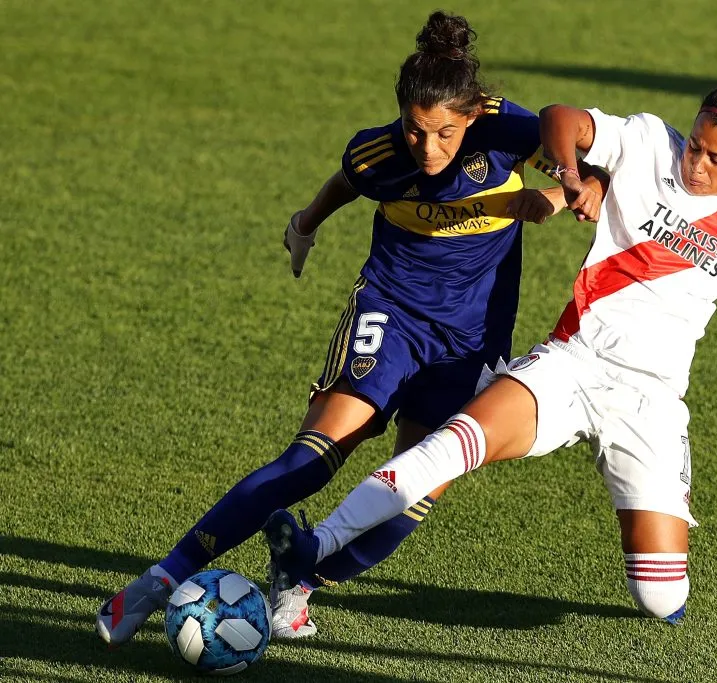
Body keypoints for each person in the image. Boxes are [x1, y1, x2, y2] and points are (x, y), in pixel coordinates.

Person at [262, 28, 717, 623]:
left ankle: (651, 534)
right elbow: (558, 118)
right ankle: (309, 551)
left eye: (716, 157)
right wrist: (576, 171)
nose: (696, 163)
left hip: (649, 402)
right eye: (695, 145)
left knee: (660, 593)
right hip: (572, 364)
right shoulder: (646, 142)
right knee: (456, 442)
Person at [95, 10, 606, 645]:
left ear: (472, 117)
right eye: (416, 131)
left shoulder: (508, 127)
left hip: (471, 340)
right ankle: (159, 582)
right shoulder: (380, 152)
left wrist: (562, 192)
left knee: (414, 488)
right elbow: (349, 181)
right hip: (389, 312)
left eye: (443, 133)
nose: (427, 148)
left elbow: (601, 167)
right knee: (313, 459)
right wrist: (305, 224)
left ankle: (300, 577)